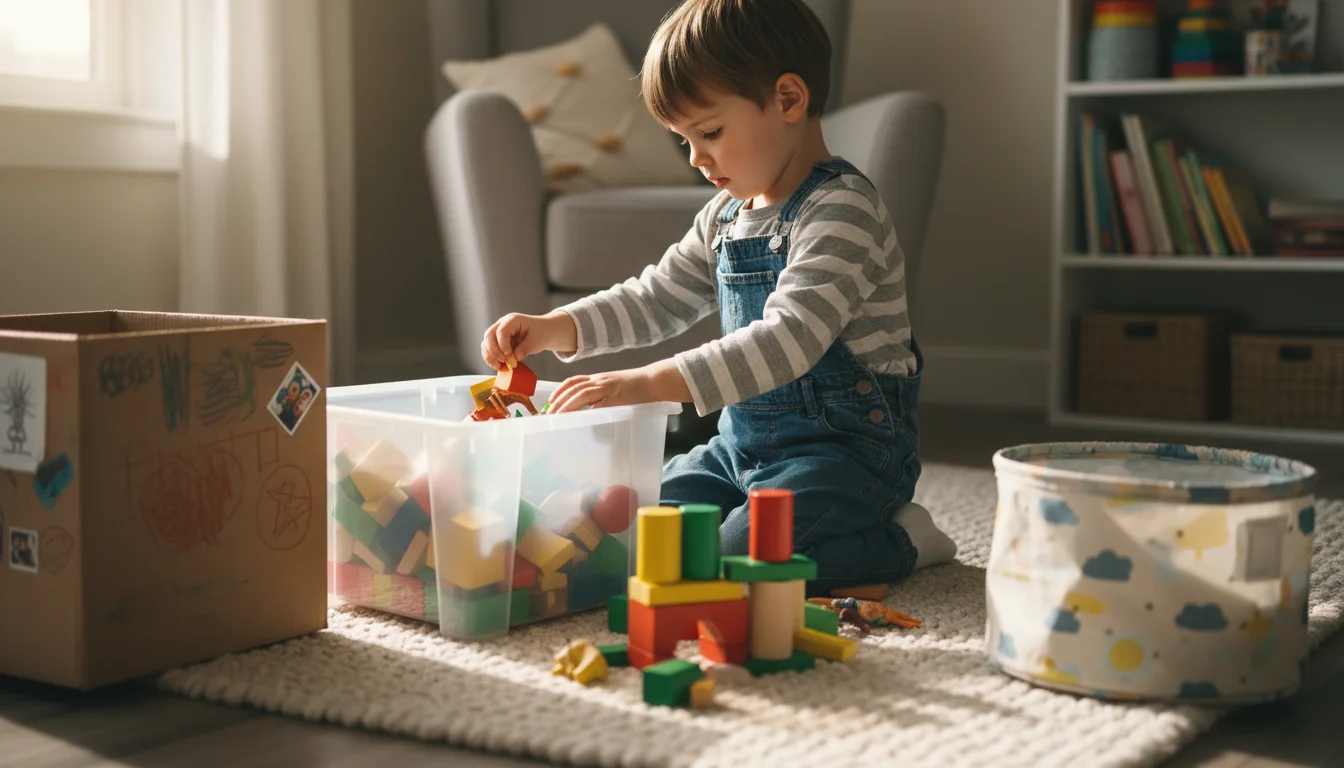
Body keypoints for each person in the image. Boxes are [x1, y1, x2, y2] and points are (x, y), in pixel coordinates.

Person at [480, 0, 954, 595]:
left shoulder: (842, 211)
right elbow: (657, 298)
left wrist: (647, 384)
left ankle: (905, 540)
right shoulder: (725, 217)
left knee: (737, 557)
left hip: (847, 454)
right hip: (740, 446)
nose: (697, 159)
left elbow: (789, 340)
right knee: (632, 525)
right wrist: (556, 327)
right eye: (684, 141)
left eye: (708, 133)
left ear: (788, 100)